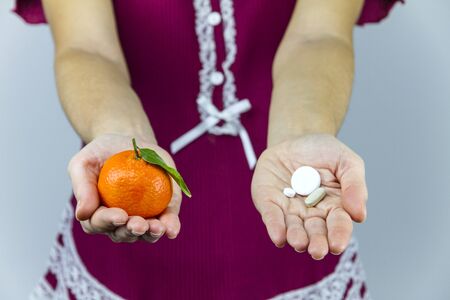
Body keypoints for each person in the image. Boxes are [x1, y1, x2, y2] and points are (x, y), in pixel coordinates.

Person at [14, 0, 402, 299]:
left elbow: (319, 36)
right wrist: (125, 145)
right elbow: (87, 46)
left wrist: (302, 132)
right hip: (131, 213)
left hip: (292, 220)